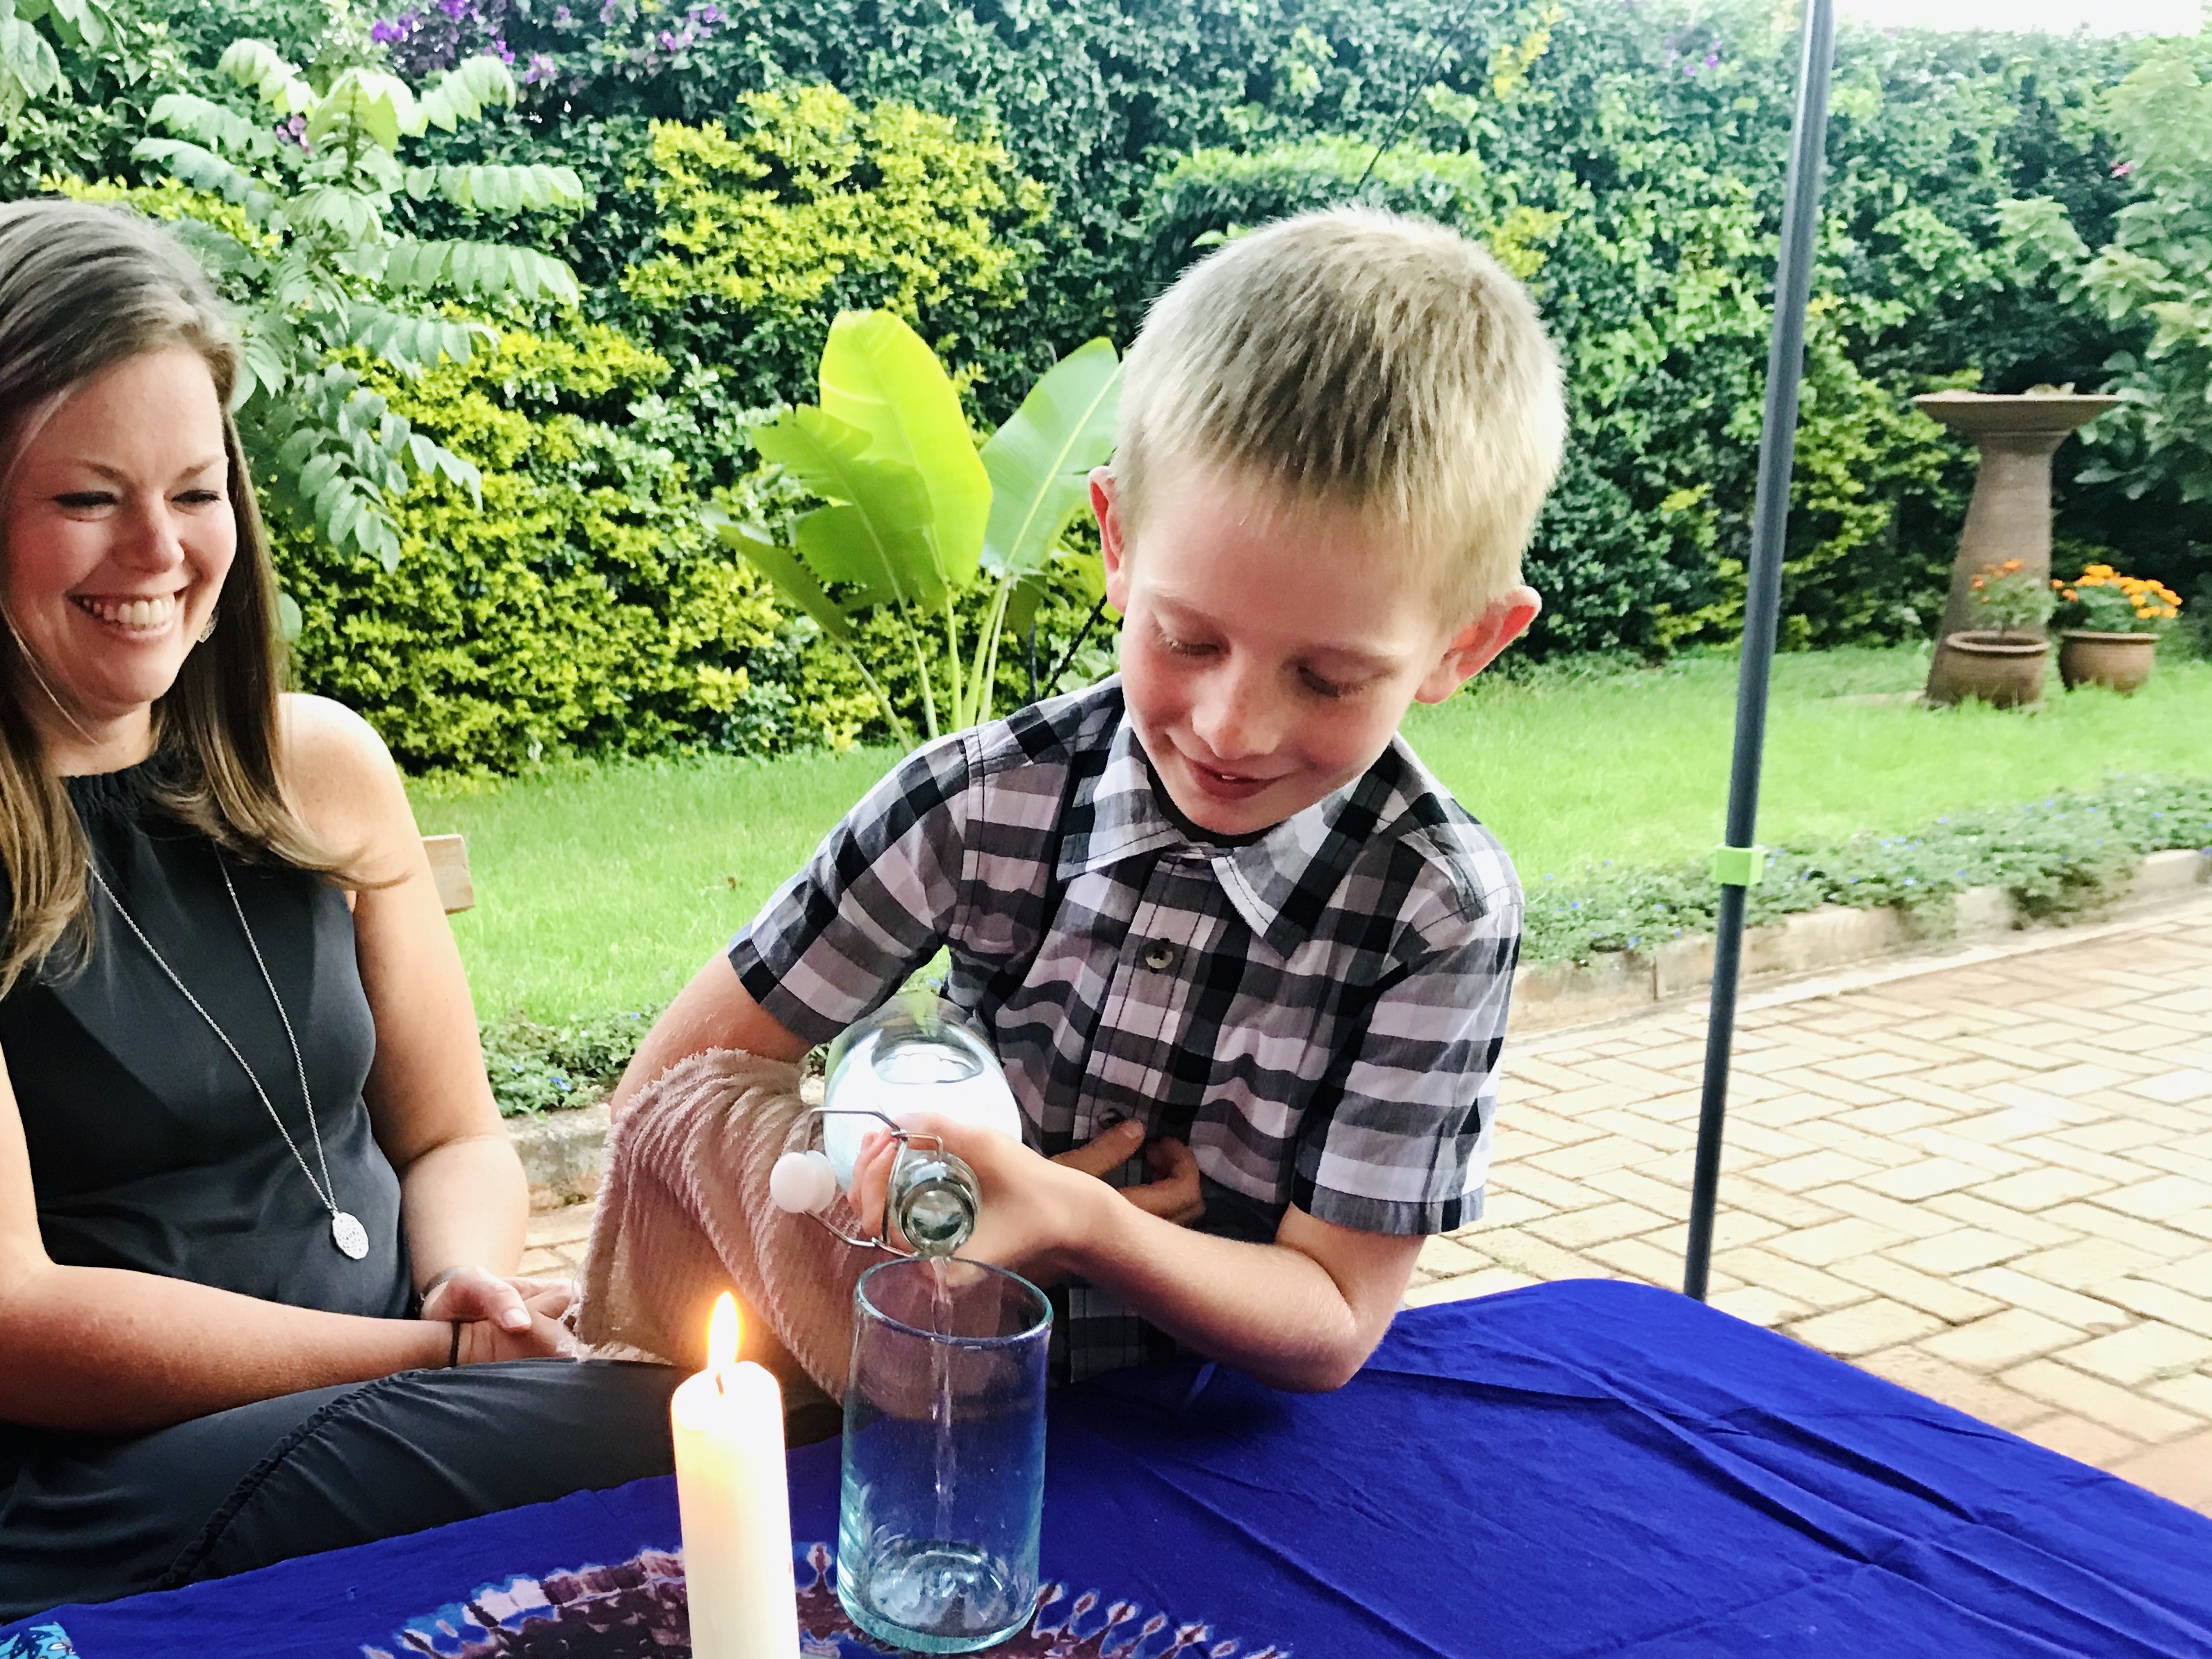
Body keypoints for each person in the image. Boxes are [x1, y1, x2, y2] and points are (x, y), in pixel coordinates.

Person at [0, 201, 681, 1658]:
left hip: (389, 1415)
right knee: (718, 1431)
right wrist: (438, 1357)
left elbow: (449, 1139)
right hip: (62, 1511)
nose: (159, 550)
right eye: (87, 498)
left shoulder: (321, 765)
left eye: (196, 489)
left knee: (716, 1425)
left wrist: (464, 1281)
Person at [600, 209, 1565, 1391]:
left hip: (1208, 1438)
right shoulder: (976, 803)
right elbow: (668, 1093)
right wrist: (894, 1186)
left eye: (1329, 677)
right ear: (1115, 540)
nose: (1231, 728)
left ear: (1467, 644)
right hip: (915, 1396)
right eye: (1187, 638)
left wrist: (1083, 1225)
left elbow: (1332, 1319)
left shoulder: (1438, 911)